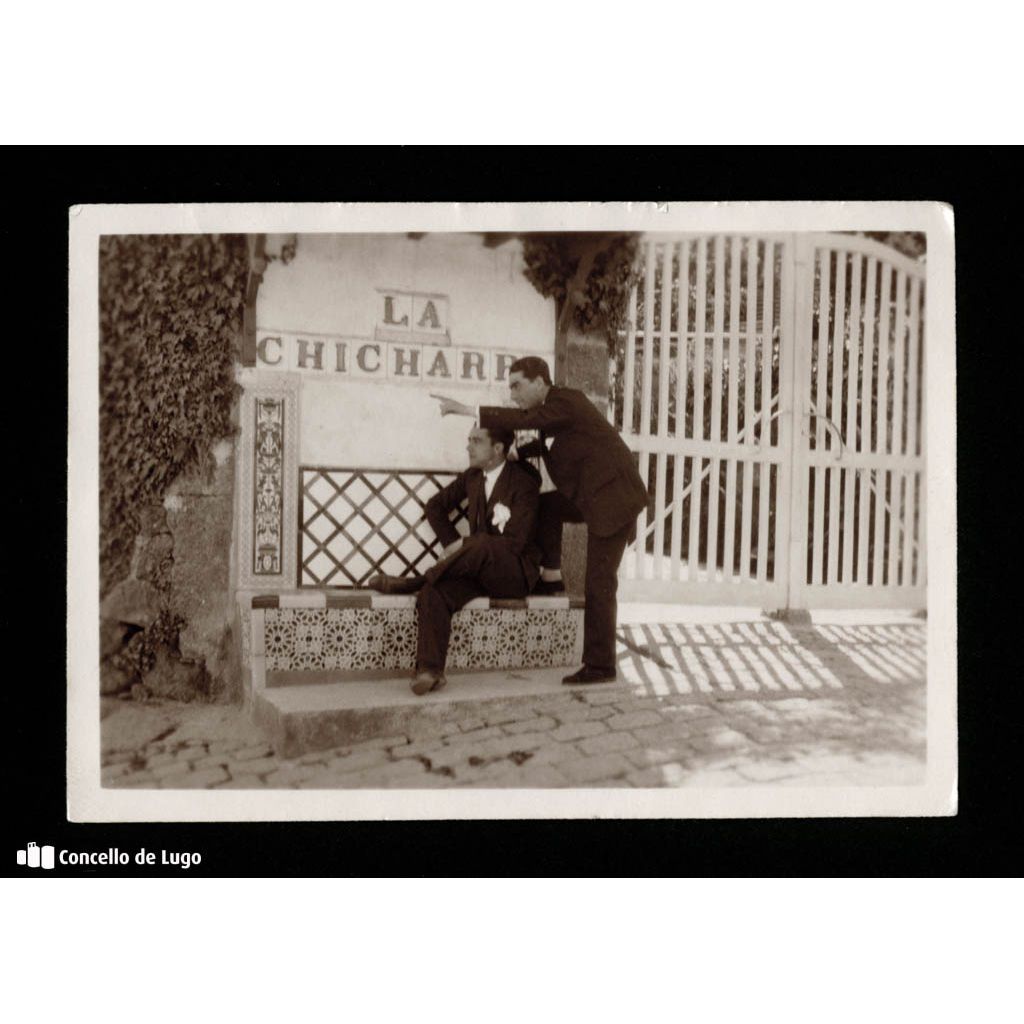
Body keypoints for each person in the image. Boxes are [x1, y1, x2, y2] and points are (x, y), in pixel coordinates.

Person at [431, 356, 648, 685]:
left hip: (613, 501)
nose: (513, 394)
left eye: (517, 386)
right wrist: (518, 453)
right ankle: (551, 578)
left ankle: (600, 665)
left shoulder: (566, 401)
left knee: (599, 582)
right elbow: (546, 441)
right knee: (547, 507)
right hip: (594, 498)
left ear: (539, 381)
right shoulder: (555, 413)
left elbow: (525, 419)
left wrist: (466, 410)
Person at [367, 424, 542, 695]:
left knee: (480, 543)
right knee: (434, 591)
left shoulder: (523, 484)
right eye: (469, 440)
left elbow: (516, 543)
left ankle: (413, 582)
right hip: (477, 570)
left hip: (514, 574)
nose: (468, 447)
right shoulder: (473, 476)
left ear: (497, 448)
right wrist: (454, 545)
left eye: (476, 441)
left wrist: (466, 544)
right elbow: (434, 506)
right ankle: (430, 671)